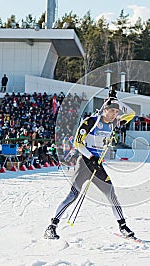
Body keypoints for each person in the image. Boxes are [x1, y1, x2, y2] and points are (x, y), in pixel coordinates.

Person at [44, 90, 136, 240]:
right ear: (104, 110)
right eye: (112, 110)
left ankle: (123, 226)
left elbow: (131, 113)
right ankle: (51, 227)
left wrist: (115, 100)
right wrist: (91, 156)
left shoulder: (114, 123)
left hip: (97, 165)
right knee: (72, 196)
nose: (114, 114)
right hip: (85, 163)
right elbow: (77, 143)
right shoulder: (91, 122)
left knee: (111, 195)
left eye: (116, 111)